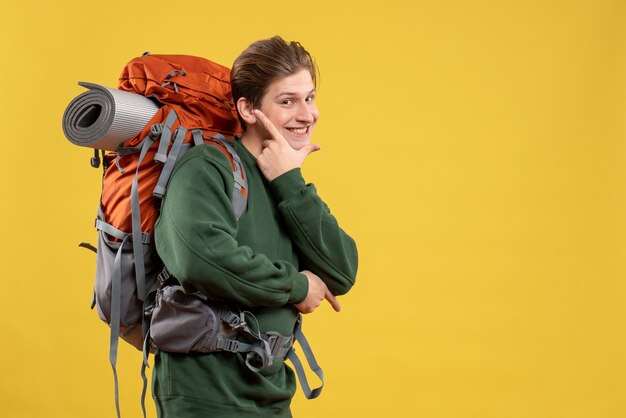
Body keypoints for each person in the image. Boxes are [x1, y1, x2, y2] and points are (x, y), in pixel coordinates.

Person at [152, 36, 358, 418]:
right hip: (206, 393)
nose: (307, 114)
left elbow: (342, 271)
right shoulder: (206, 167)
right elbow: (202, 259)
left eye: (309, 98)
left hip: (272, 391)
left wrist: (289, 181)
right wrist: (296, 286)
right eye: (287, 101)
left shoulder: (284, 181)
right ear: (248, 108)